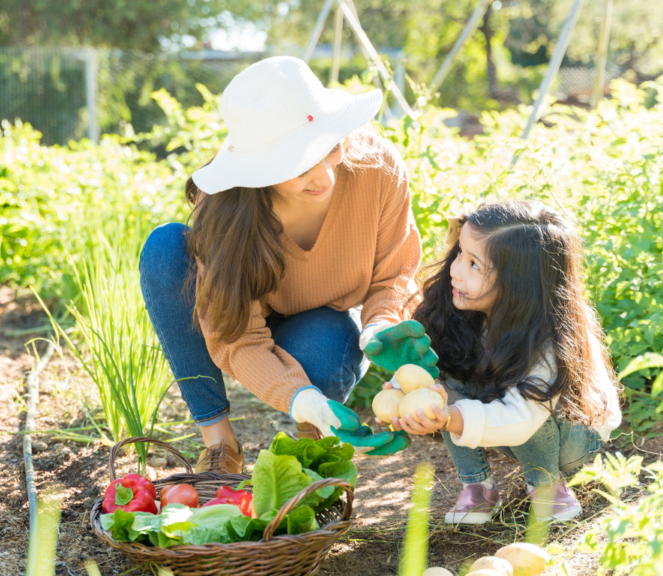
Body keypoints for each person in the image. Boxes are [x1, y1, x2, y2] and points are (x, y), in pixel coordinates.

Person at [138, 56, 438, 474]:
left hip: (322, 320)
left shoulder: (376, 168)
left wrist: (380, 327)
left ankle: (314, 439)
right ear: (260, 169)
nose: (324, 177)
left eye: (329, 148)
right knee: (165, 248)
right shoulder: (227, 211)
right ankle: (220, 443)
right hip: (237, 322)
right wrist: (300, 396)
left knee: (325, 351)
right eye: (298, 164)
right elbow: (238, 337)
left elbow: (395, 274)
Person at [373, 200, 622, 523]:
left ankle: (547, 486)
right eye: (460, 252)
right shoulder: (466, 311)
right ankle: (477, 487)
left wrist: (447, 418)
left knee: (531, 394)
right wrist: (409, 392)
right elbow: (436, 372)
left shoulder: (549, 340)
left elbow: (523, 419)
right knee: (443, 381)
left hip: (570, 436)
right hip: (509, 421)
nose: (456, 269)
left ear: (519, 285)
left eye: (475, 264)